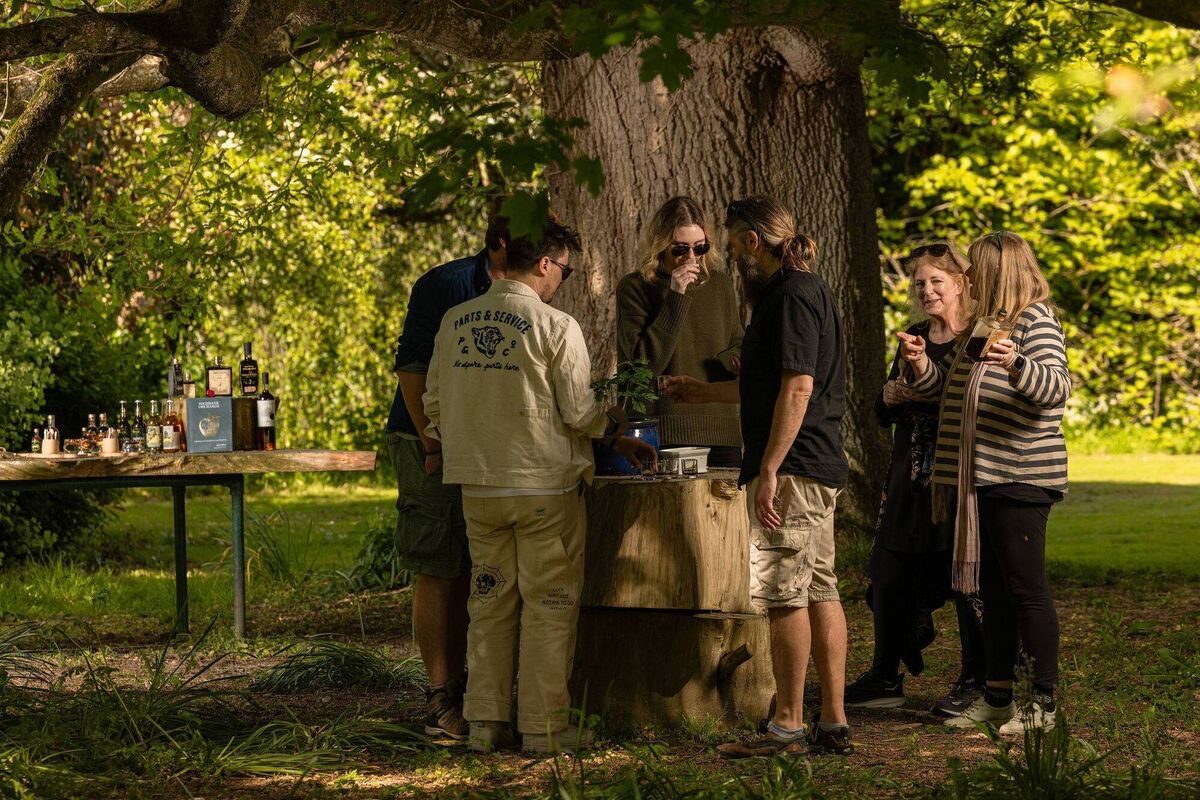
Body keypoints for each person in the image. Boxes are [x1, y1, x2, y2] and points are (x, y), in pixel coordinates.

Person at [424, 217, 657, 755]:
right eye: (566, 272)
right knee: (550, 605)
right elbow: (578, 410)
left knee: (488, 602)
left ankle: (484, 722)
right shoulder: (556, 326)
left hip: (478, 487)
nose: (562, 282)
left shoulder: (454, 322)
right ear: (547, 263)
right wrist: (615, 426)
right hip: (543, 488)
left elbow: (434, 404)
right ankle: (544, 728)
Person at [666, 196, 852, 757]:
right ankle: (833, 721)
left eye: (729, 240)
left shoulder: (791, 295)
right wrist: (698, 391)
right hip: (815, 462)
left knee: (783, 594)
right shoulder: (803, 290)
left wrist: (768, 467)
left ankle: (788, 726)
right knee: (819, 587)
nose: (728, 252)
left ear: (752, 241)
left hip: (793, 467)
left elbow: (798, 388)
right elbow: (770, 386)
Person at [899, 230, 1069, 735]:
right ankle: (997, 699)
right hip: (982, 479)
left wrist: (1016, 361)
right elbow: (950, 391)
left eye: (976, 269)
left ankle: (1044, 704)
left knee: (1026, 589)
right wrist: (921, 365)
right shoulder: (989, 324)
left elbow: (1056, 389)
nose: (968, 276)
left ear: (1000, 272)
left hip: (1021, 475)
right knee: (992, 592)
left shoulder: (1036, 319)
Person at [844, 243, 988, 716]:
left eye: (936, 282)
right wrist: (890, 393)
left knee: (965, 580)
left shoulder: (980, 337)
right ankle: (885, 675)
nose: (927, 291)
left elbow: (965, 400)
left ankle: (976, 679)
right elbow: (882, 412)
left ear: (961, 283)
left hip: (957, 480)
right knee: (888, 573)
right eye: (920, 284)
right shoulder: (913, 336)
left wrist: (921, 384)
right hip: (908, 478)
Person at [383, 213, 509, 739]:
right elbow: (411, 368)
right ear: (501, 243)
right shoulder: (445, 284)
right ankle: (440, 699)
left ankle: (479, 690)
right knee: (439, 563)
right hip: (426, 439)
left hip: (486, 441)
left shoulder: (535, 285)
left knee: (478, 564)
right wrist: (434, 441)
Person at [616, 196, 743, 466]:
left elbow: (734, 339)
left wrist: (736, 356)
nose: (691, 258)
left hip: (723, 431)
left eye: (700, 248)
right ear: (661, 247)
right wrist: (676, 297)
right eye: (680, 249)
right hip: (661, 434)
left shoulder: (719, 284)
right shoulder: (634, 288)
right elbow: (641, 365)